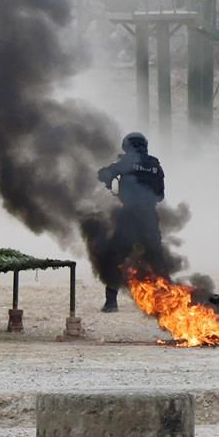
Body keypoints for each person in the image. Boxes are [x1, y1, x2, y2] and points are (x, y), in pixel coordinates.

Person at [96, 132, 165, 312]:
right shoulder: (156, 166)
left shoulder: (126, 162)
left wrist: (111, 180)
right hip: (150, 217)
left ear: (127, 146)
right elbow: (160, 196)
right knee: (157, 259)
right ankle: (166, 302)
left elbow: (103, 174)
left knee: (115, 257)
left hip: (129, 217)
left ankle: (111, 303)